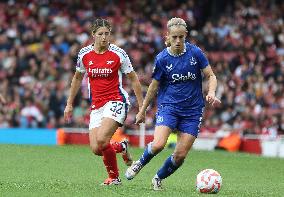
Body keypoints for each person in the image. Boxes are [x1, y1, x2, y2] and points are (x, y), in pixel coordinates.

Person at [125, 17, 221, 190]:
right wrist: (142, 110)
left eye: (181, 37)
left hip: (193, 111)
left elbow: (211, 76)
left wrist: (212, 92)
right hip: (169, 107)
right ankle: (140, 163)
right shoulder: (162, 59)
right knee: (159, 144)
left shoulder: (196, 53)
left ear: (186, 36)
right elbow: (154, 86)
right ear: (167, 36)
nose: (178, 41)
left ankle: (158, 178)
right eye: (174, 37)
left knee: (180, 155)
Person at [64, 18, 144, 186]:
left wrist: (142, 107)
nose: (104, 37)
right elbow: (77, 78)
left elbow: (134, 79)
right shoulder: (84, 54)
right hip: (97, 105)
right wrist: (69, 103)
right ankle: (121, 147)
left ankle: (114, 178)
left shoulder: (118, 54)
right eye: (100, 34)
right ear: (93, 35)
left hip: (116, 101)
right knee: (96, 149)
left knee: (102, 140)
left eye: (107, 34)